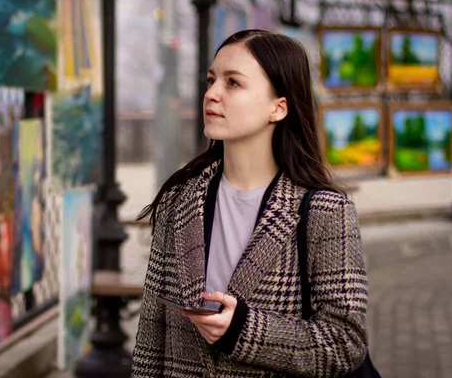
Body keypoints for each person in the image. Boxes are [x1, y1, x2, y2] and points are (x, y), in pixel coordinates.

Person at [131, 29, 368, 377]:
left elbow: (345, 343)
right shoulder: (179, 201)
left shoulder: (325, 212)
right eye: (211, 80)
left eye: (233, 83)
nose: (211, 94)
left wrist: (245, 330)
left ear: (278, 107)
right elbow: (151, 337)